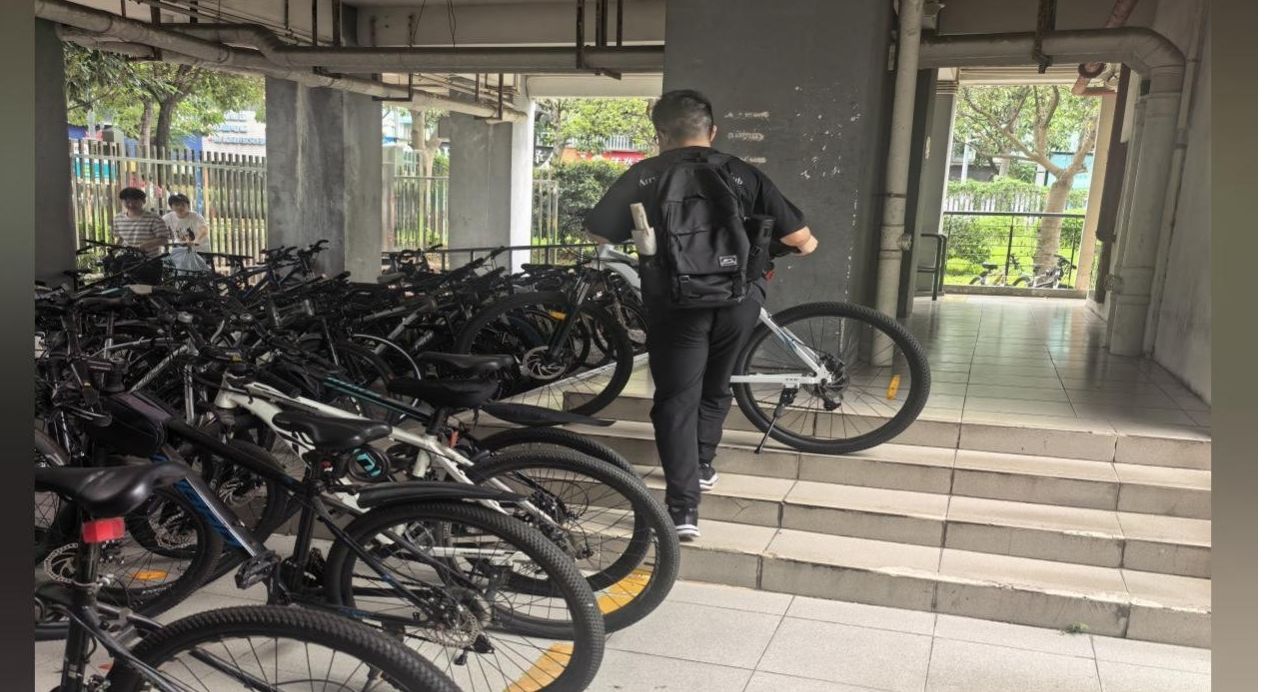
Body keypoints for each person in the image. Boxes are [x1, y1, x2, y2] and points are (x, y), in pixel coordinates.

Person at [584, 90, 818, 540]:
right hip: (738, 299)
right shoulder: (742, 173)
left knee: (676, 398)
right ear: (712, 131)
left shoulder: (645, 174)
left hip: (674, 303)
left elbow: (599, 232)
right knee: (717, 384)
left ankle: (683, 508)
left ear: (660, 134)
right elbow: (803, 241)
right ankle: (704, 463)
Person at [111, 187, 172, 284]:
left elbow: (164, 239)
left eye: (135, 201)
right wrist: (113, 252)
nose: (131, 204)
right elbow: (120, 238)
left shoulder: (154, 218)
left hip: (149, 262)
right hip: (127, 261)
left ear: (143, 201)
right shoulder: (118, 219)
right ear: (122, 202)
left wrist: (144, 246)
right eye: (127, 201)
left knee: (148, 291)